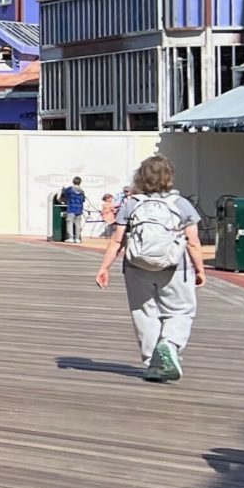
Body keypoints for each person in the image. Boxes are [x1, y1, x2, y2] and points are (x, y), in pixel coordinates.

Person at [95, 154, 209, 381]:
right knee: (180, 310)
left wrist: (104, 267)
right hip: (174, 268)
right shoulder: (181, 204)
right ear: (169, 177)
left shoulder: (131, 204)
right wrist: (200, 269)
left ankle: (151, 363)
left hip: (136, 266)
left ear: (141, 177)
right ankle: (170, 343)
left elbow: (117, 241)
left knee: (144, 313)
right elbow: (193, 242)